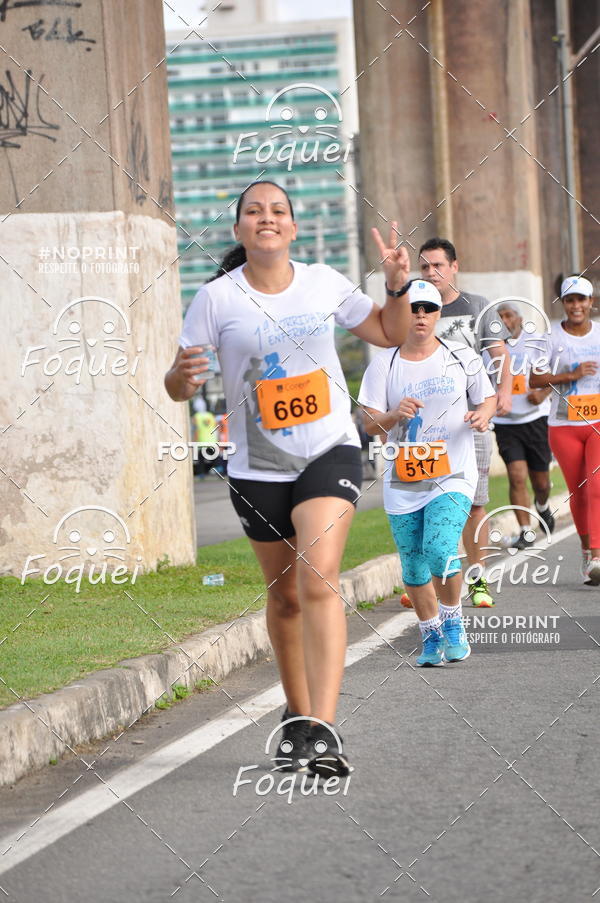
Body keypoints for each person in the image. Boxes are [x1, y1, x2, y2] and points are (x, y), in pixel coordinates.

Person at [165, 180, 412, 774]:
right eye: (254, 211)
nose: (266, 219)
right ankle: (298, 715)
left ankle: (324, 729)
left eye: (278, 211)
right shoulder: (216, 299)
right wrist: (181, 375)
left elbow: (391, 332)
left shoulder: (324, 282)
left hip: (329, 447)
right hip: (258, 465)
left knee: (318, 579)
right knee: (284, 596)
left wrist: (398, 285)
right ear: (239, 229)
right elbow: (177, 386)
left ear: (293, 228)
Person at [358, 280, 496, 666]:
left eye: (428, 309)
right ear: (403, 313)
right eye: (413, 308)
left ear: (438, 315)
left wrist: (483, 415)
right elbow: (369, 423)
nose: (420, 316)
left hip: (452, 472)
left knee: (439, 550)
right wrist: (392, 414)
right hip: (403, 479)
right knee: (414, 564)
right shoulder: (383, 363)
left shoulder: (461, 356)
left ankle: (453, 624)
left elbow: (486, 398)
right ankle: (430, 636)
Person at [418, 237, 512, 608]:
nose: (432, 273)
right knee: (423, 503)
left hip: (471, 420)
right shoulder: (414, 307)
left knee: (474, 503)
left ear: (454, 266)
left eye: (438, 265)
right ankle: (424, 584)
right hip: (425, 427)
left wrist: (502, 394)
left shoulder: (477, 306)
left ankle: (478, 579)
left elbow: (500, 355)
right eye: (425, 266)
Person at [529, 275, 600, 585]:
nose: (576, 306)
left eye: (581, 299)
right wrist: (569, 375)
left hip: (597, 423)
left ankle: (597, 553)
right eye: (570, 300)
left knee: (597, 486)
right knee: (580, 491)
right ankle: (587, 552)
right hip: (564, 425)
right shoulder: (550, 339)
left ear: (590, 302)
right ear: (563, 304)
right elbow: (535, 379)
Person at [493, 300, 554, 548]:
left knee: (540, 482)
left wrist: (543, 392)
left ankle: (543, 505)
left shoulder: (536, 342)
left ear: (519, 318)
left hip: (535, 419)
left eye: (509, 316)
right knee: (517, 477)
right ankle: (525, 531)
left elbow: (552, 374)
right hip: (505, 422)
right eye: (500, 318)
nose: (505, 322)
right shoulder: (490, 347)